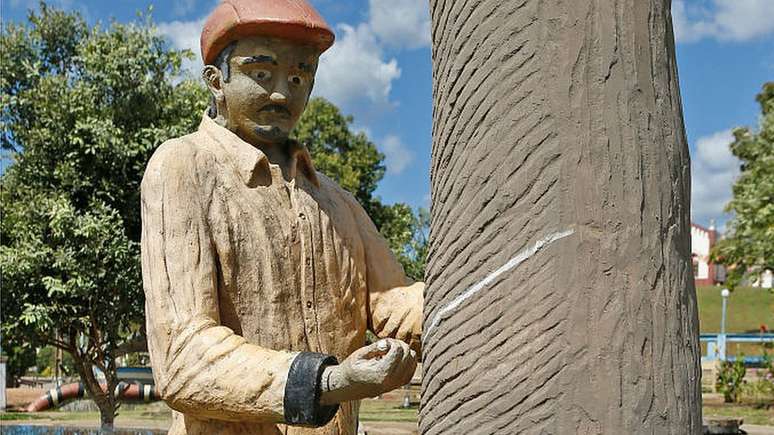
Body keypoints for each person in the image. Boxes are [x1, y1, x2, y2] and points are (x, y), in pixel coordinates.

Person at [140, 0, 423, 434]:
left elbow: (395, 304)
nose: (281, 93)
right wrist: (328, 381)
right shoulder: (181, 168)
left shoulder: (339, 204)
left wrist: (477, 296)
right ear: (216, 81)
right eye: (261, 73)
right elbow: (183, 354)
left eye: (299, 76)